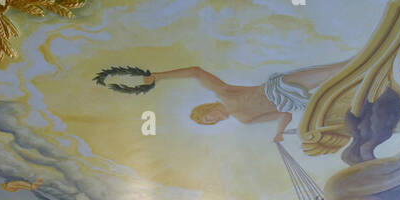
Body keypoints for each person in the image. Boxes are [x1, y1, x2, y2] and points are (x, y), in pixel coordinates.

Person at [142, 61, 348, 142]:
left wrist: (159, 74)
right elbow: (284, 115)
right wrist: (278, 132)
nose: (214, 119)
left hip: (282, 87)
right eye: (210, 122)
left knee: (335, 71)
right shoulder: (246, 119)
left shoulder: (224, 93)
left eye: (208, 117)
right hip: (296, 101)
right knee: (342, 94)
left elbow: (196, 71)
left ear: (208, 108)